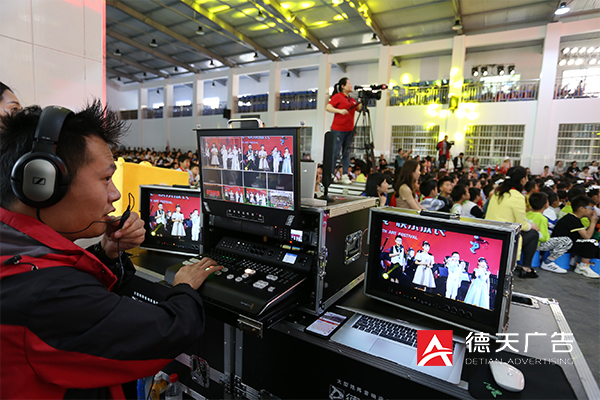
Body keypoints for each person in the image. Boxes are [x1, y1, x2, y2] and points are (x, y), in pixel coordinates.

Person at [0, 102, 223, 398]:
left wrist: (106, 252)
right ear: (43, 182)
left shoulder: (16, 248)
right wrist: (184, 288)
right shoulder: (48, 293)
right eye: (106, 178)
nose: (115, 194)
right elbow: (165, 333)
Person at [485, 166, 539, 278]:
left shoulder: (497, 192)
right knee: (533, 233)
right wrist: (532, 226)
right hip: (506, 238)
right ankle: (526, 268)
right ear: (523, 180)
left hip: (490, 233)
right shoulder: (517, 196)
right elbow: (522, 225)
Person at [552, 195, 600, 278]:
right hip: (562, 245)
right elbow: (587, 236)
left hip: (568, 243)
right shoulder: (572, 219)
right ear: (581, 209)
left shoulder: (573, 218)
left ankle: (576, 260)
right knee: (593, 243)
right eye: (591, 208)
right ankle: (583, 266)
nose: (593, 211)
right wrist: (593, 222)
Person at [325, 77, 362, 184]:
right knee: (335, 153)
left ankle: (345, 174)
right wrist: (339, 111)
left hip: (349, 130)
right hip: (338, 129)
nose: (351, 86)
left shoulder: (351, 99)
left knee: (346, 153)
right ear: (343, 86)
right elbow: (328, 107)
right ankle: (331, 174)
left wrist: (362, 100)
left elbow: (359, 109)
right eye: (348, 84)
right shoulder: (338, 96)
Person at [527, 192, 572, 274]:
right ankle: (548, 262)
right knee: (567, 241)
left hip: (527, 243)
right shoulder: (542, 218)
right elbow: (545, 238)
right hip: (537, 244)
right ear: (546, 205)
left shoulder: (528, 213)